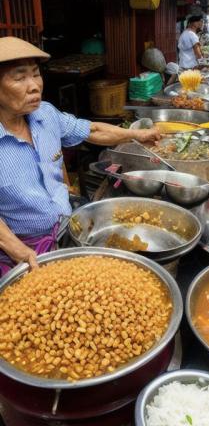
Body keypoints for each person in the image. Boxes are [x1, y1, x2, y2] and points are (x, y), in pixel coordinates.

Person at [0, 36, 161, 276]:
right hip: (21, 250)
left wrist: (138, 135)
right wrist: (20, 252)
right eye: (20, 77)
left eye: (35, 74)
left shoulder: (45, 114)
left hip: (65, 226)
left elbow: (93, 130)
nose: (34, 85)